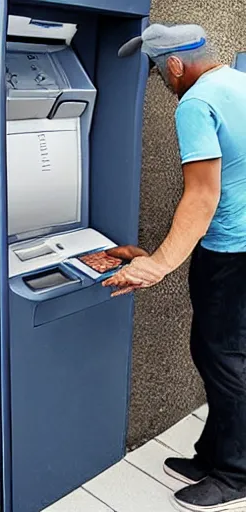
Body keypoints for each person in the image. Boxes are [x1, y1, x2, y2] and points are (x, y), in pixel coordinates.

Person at [103, 23, 246, 512]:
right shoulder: (238, 83)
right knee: (218, 354)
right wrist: (156, 254)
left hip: (231, 253)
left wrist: (159, 264)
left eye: (156, 71)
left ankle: (235, 474)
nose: (159, 81)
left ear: (176, 65)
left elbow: (203, 195)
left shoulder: (195, 104)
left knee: (224, 360)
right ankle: (212, 455)